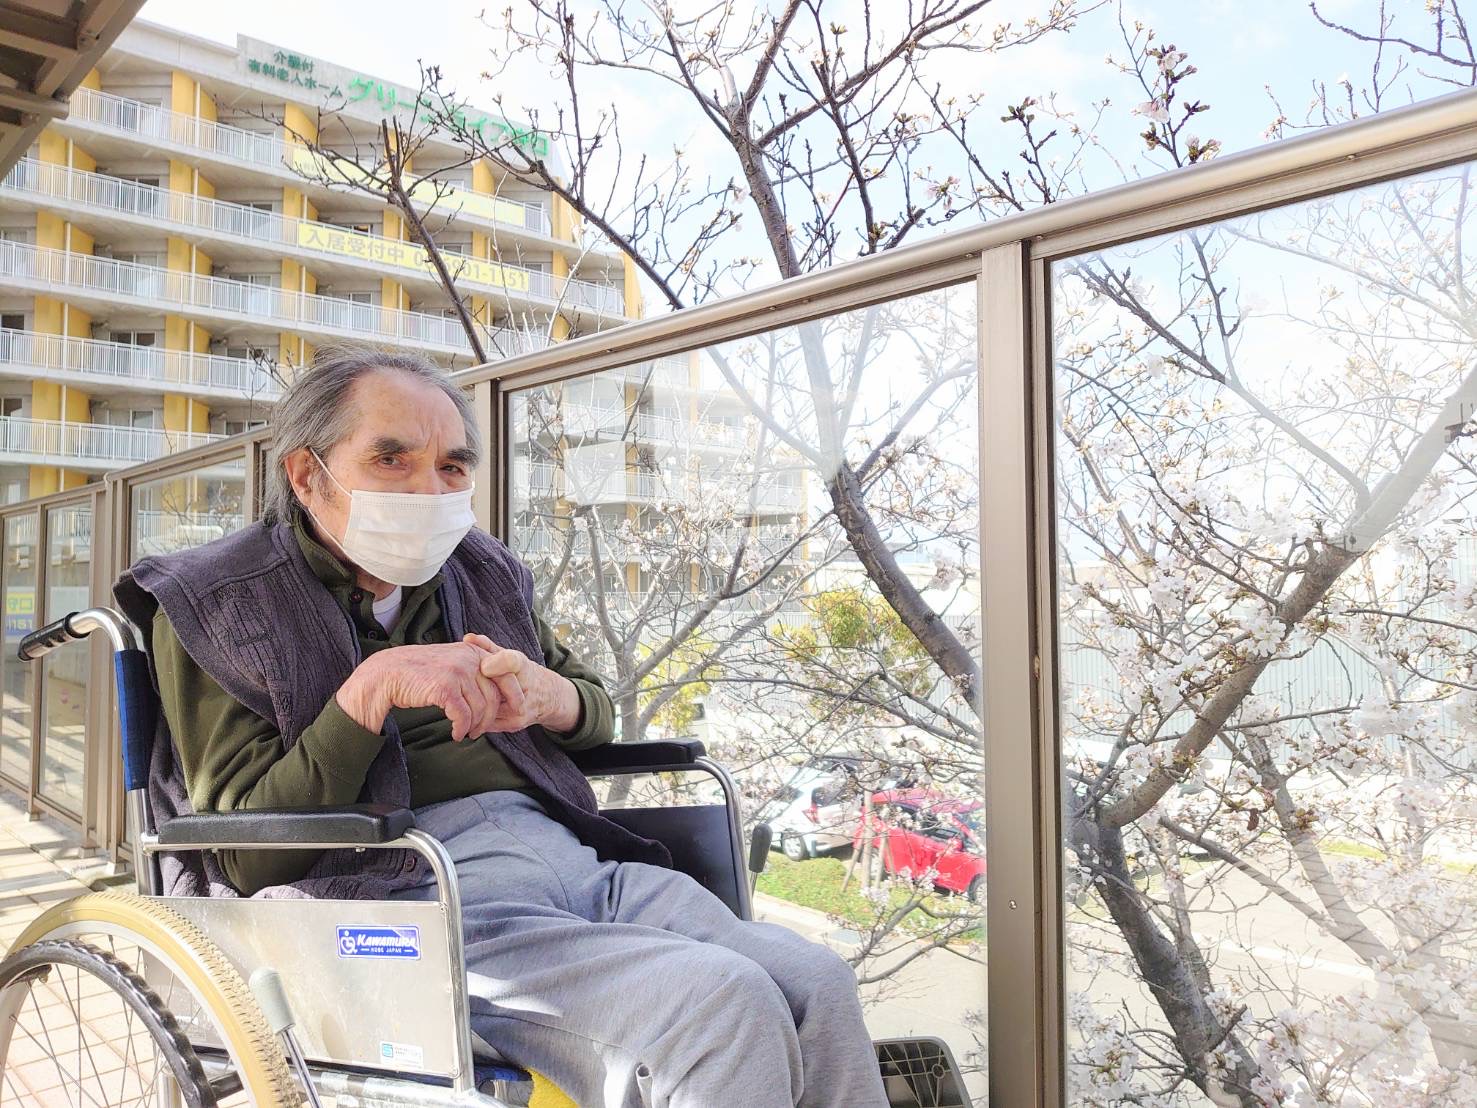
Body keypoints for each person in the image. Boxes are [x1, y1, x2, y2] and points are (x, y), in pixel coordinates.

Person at [114, 346, 888, 1108]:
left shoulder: (480, 571)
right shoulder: (217, 602)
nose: (429, 488)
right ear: (307, 474)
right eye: (391, 458)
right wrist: (368, 692)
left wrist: (555, 699)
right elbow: (245, 854)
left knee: (815, 983)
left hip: (570, 857)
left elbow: (590, 707)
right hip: (413, 895)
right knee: (718, 1004)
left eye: (452, 466)